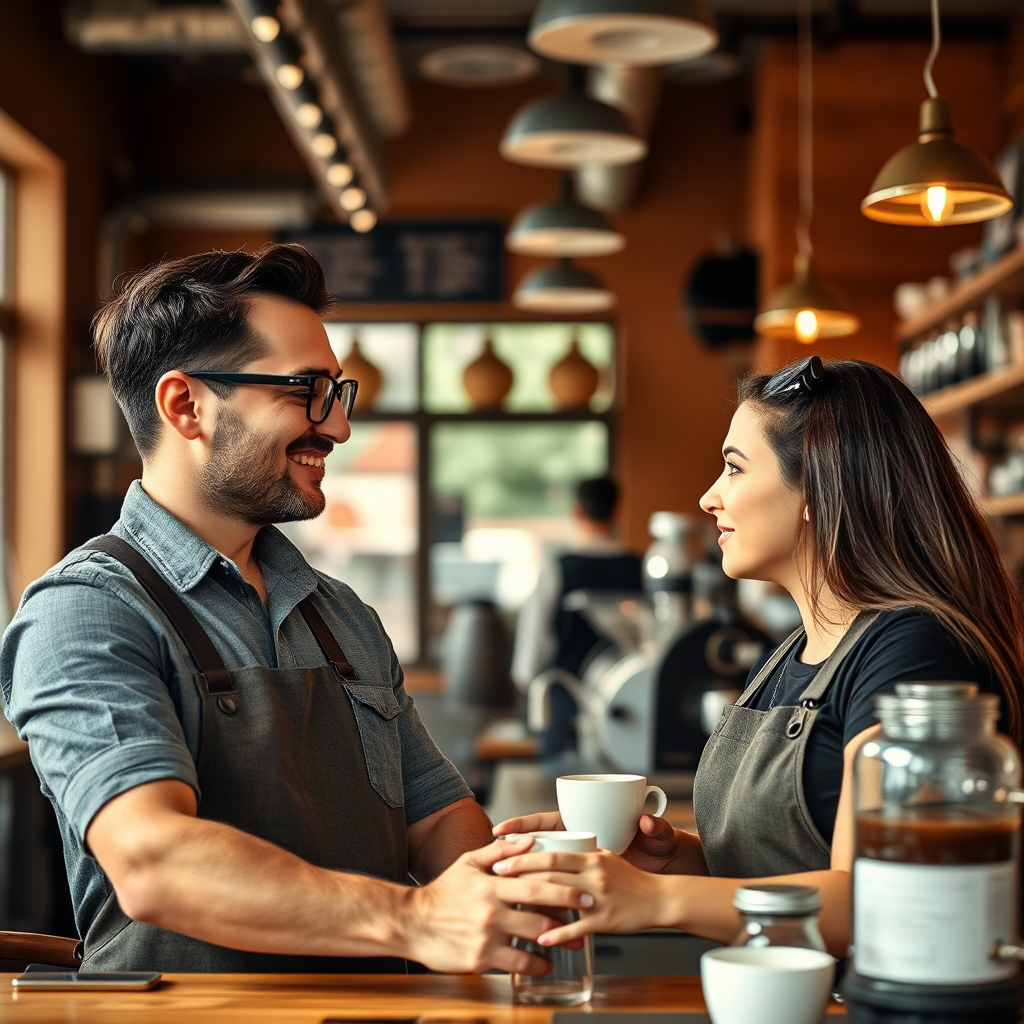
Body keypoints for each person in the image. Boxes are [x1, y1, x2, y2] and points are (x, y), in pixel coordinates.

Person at [0, 244, 586, 973]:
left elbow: (437, 821)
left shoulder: (338, 614)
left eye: (337, 394)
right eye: (304, 391)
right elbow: (153, 859)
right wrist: (415, 919)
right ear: (187, 406)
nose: (336, 428)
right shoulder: (85, 611)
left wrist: (510, 882)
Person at [492, 356, 1024, 957]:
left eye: (733, 468)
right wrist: (673, 859)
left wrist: (654, 899)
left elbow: (873, 901)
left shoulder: (917, 651)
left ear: (816, 489)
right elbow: (781, 867)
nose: (708, 497)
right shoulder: (786, 656)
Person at [511, 477, 642, 760]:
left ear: (577, 512)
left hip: (565, 704)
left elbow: (533, 646)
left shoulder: (558, 568)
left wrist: (532, 692)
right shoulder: (639, 568)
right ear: (618, 511)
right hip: (629, 708)